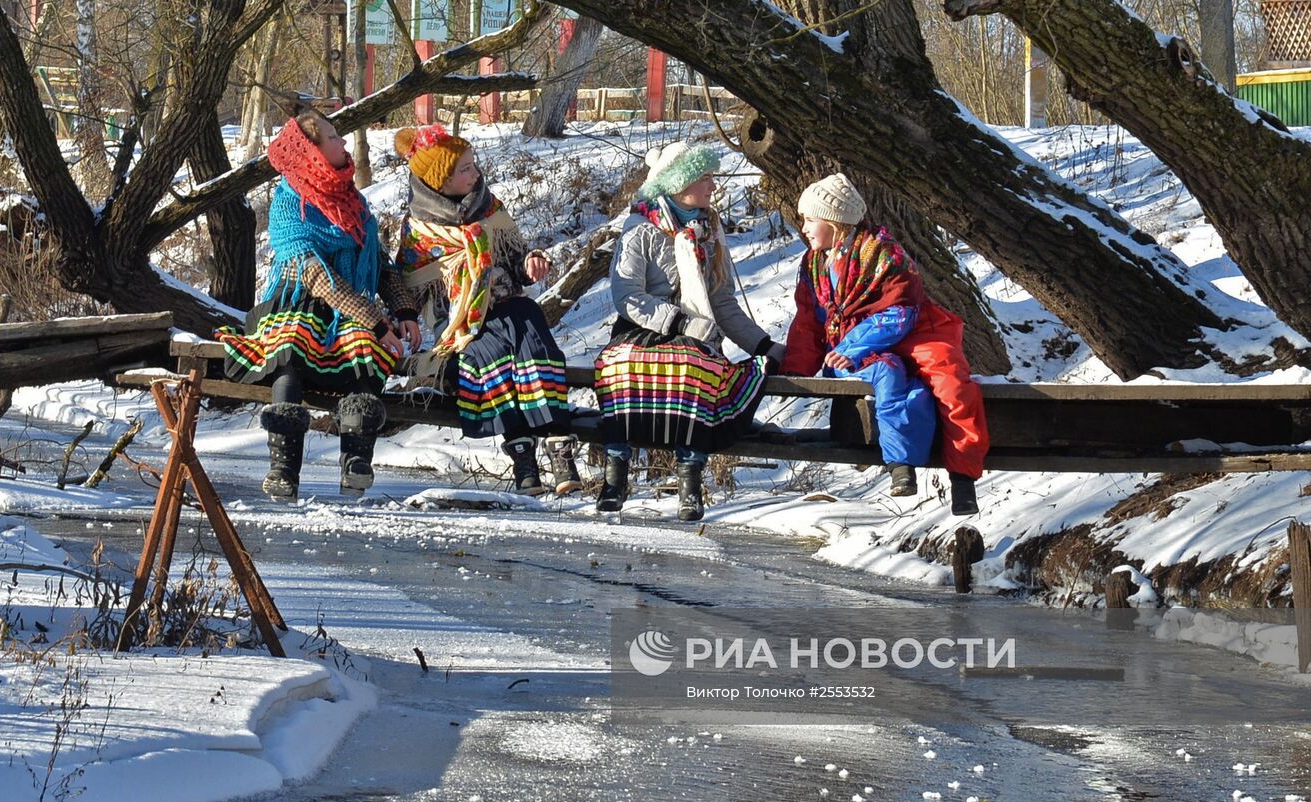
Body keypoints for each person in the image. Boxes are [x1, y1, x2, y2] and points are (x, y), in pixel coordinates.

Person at [217, 110, 416, 501]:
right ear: (312, 152)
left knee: (366, 348)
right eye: (332, 137)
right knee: (290, 345)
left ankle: (356, 461)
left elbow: (377, 263)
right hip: (298, 299)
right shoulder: (290, 202)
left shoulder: (353, 202)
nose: (342, 143)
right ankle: (284, 467)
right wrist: (377, 319)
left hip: (349, 310)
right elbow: (316, 277)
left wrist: (403, 310)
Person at [594, 140, 785, 522]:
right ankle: (616, 474)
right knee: (618, 365)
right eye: (706, 178)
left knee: (694, 364)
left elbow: (722, 302)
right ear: (680, 183)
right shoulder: (640, 229)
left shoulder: (709, 231)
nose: (713, 187)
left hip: (696, 334)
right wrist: (678, 322)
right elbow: (627, 295)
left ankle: (690, 478)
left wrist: (762, 344)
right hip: (642, 329)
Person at [780, 173, 988, 515]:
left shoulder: (883, 255)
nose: (803, 227)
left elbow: (899, 313)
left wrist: (850, 349)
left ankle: (963, 477)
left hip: (912, 332)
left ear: (834, 222)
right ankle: (902, 464)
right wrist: (794, 373)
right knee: (899, 383)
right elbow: (809, 323)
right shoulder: (814, 264)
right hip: (859, 347)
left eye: (810, 220)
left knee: (951, 384)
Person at [393, 124, 582, 496]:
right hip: (461, 322)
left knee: (532, 335)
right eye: (465, 169)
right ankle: (523, 456)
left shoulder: (490, 207)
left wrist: (531, 261)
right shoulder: (417, 230)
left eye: (474, 165)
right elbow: (411, 288)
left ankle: (559, 446)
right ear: (440, 180)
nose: (476, 173)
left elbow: (515, 259)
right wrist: (407, 318)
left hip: (507, 304)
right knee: (488, 354)